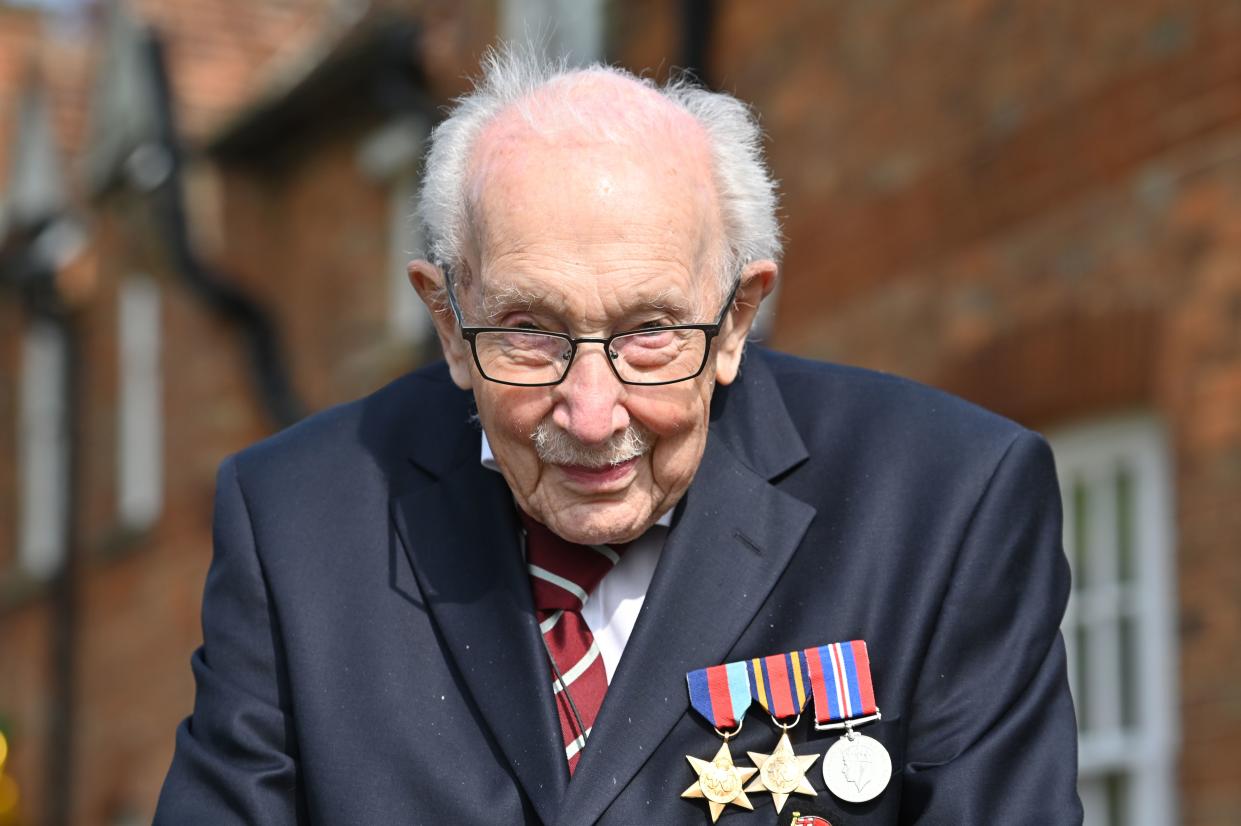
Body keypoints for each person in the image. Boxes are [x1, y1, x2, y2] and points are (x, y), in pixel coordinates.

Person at [155, 47, 1083, 825]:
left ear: (735, 321)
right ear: (447, 321)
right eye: (527, 332)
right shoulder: (298, 525)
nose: (591, 412)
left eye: (650, 332)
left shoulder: (944, 503)